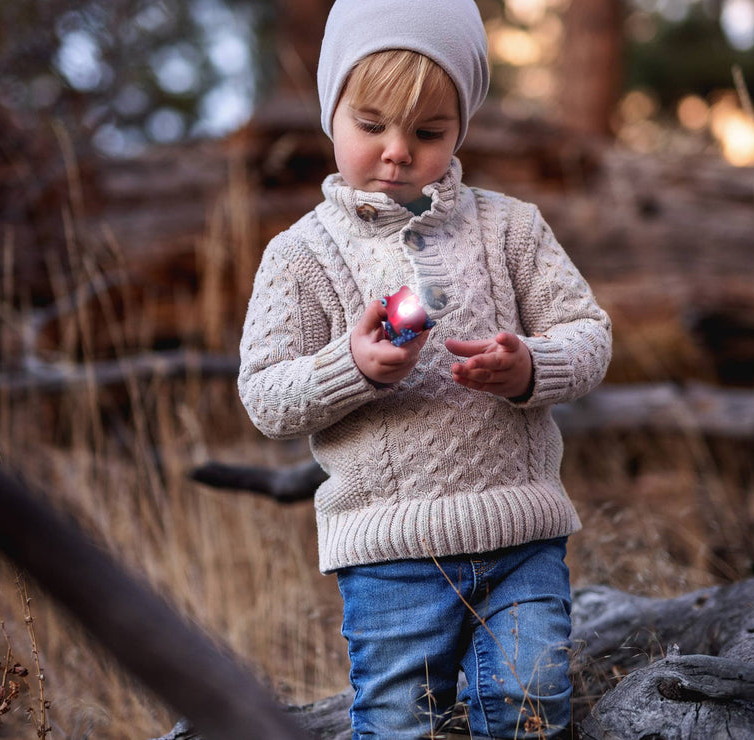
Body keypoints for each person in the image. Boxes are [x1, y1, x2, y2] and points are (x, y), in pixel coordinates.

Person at [238, 0, 612, 737]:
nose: (398, 151)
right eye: (370, 125)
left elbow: (589, 333)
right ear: (331, 112)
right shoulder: (299, 255)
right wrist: (354, 364)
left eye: (429, 132)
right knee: (399, 722)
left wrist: (531, 365)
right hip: (388, 558)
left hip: (519, 536)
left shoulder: (510, 227)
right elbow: (266, 397)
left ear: (461, 128)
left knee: (530, 703)